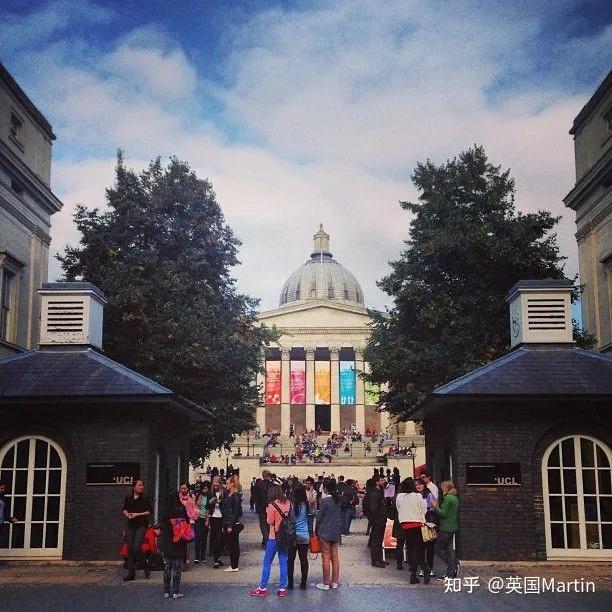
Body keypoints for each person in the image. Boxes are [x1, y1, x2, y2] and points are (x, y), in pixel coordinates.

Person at [250, 485, 291, 598]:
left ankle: (262, 587)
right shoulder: (288, 503)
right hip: (286, 536)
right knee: (283, 561)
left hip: (274, 536)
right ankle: (282, 588)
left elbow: (269, 521)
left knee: (267, 562)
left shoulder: (272, 505)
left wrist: (268, 510)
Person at [396, 478, 429, 584]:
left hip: (406, 525)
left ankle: (412, 571)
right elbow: (424, 509)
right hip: (417, 525)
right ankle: (420, 570)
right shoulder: (418, 496)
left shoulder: (399, 496)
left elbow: (398, 508)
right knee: (418, 548)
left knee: (410, 548)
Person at [121, 479, 152, 581]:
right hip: (130, 525)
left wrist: (137, 514)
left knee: (136, 548)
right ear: (133, 487)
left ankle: (145, 565)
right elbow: (124, 509)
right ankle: (131, 573)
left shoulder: (145, 498)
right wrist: (127, 514)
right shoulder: (128, 497)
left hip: (141, 525)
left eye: (142, 485)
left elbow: (149, 511)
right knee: (129, 548)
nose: (141, 487)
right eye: (139, 485)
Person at [315, 478, 342, 590]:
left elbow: (319, 518)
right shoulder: (338, 500)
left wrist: (316, 530)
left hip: (325, 531)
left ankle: (326, 583)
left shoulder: (325, 501)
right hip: (335, 531)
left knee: (325, 557)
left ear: (326, 488)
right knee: (335, 558)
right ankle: (335, 582)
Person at [159, 496, 188, 599]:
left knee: (167, 567)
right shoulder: (181, 509)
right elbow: (187, 522)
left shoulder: (165, 511)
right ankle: (175, 592)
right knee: (177, 568)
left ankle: (166, 592)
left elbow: (161, 524)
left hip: (168, 542)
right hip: (179, 542)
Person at [432, 480, 459, 579]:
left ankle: (452, 566)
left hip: (446, 527)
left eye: (442, 487)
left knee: (437, 548)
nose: (441, 488)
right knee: (448, 549)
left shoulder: (447, 498)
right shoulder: (455, 498)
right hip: (452, 527)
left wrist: (435, 507)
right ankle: (450, 574)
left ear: (446, 488)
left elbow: (443, 513)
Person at [287, 485, 310, 590]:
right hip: (304, 535)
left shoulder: (292, 506)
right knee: (303, 560)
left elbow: (289, 519)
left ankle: (290, 583)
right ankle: (303, 583)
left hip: (293, 536)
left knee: (290, 560)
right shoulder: (307, 505)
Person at [220, 475, 242, 572]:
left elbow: (236, 512)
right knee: (230, 544)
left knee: (234, 544)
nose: (226, 485)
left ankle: (234, 565)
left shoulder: (236, 495)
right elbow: (224, 508)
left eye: (228, 483)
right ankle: (233, 564)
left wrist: (230, 525)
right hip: (226, 521)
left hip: (231, 523)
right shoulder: (228, 494)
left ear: (232, 484)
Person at [416, 478, 436, 579]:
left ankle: (430, 568)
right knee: (420, 548)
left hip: (428, 524)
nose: (418, 486)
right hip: (418, 524)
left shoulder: (429, 494)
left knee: (429, 548)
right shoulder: (414, 496)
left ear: (424, 485)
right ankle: (423, 568)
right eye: (416, 485)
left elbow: (435, 507)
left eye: (420, 484)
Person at [368, 474, 388, 568]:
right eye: (381, 480)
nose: (383, 482)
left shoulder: (380, 491)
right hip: (378, 520)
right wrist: (376, 520)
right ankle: (375, 560)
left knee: (379, 540)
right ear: (377, 482)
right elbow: (373, 508)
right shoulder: (375, 493)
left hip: (381, 520)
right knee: (376, 541)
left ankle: (379, 559)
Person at [207, 476, 225, 568]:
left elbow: (226, 505)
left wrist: (220, 502)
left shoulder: (223, 493)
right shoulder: (210, 493)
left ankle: (217, 558)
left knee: (220, 539)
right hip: (213, 517)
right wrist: (211, 502)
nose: (215, 487)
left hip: (221, 517)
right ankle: (215, 560)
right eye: (214, 485)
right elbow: (206, 506)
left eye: (217, 485)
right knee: (215, 539)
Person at [255, 470, 274, 548]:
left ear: (263, 476)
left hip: (262, 508)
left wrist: (257, 507)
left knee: (263, 525)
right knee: (268, 525)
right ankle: (265, 540)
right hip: (270, 507)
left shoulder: (259, 484)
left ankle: (266, 542)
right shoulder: (273, 485)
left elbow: (256, 497)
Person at [194, 481, 210, 563]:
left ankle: (203, 557)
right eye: (204, 488)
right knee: (197, 537)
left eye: (206, 489)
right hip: (198, 518)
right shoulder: (198, 495)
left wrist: (207, 520)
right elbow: (195, 506)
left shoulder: (209, 497)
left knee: (204, 538)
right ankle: (197, 557)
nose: (205, 490)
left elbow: (209, 509)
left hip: (205, 519)